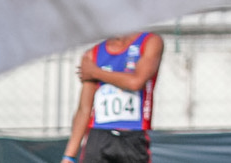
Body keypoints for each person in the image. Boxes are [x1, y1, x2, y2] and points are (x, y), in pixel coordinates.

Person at [61, 31, 164, 163]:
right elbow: (84, 109)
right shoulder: (93, 54)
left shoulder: (150, 42)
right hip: (98, 136)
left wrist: (95, 72)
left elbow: (136, 82)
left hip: (134, 136)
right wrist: (68, 156)